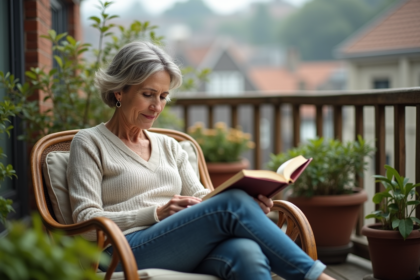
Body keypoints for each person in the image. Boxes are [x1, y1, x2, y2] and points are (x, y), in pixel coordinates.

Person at [67, 41, 335, 280]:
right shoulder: (89, 143)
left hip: (180, 243)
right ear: (119, 92)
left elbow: (202, 197)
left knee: (247, 253)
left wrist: (251, 207)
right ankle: (317, 277)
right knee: (232, 205)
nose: (157, 107)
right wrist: (156, 213)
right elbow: (85, 222)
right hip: (122, 249)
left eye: (163, 97)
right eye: (148, 94)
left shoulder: (171, 146)